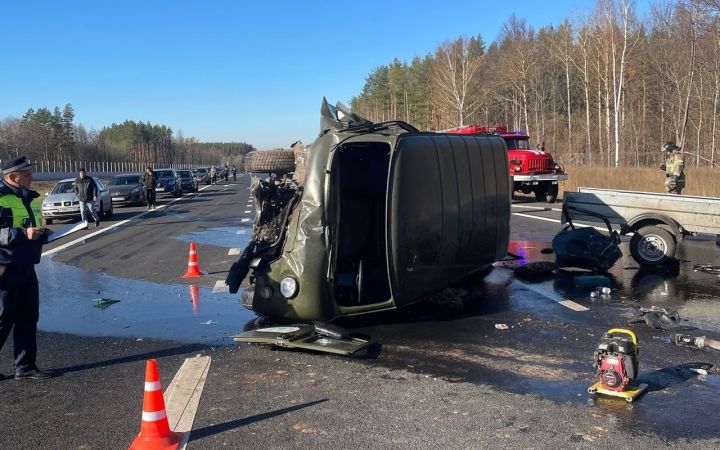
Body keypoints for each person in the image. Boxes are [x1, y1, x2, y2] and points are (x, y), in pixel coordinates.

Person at [0, 156, 55, 380]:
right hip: (5, 268)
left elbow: (31, 226)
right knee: (3, 319)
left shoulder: (29, 198)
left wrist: (41, 235)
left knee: (28, 317)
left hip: (26, 266)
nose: (32, 177)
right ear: (13, 177)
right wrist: (24, 234)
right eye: (27, 174)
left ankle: (25, 367)